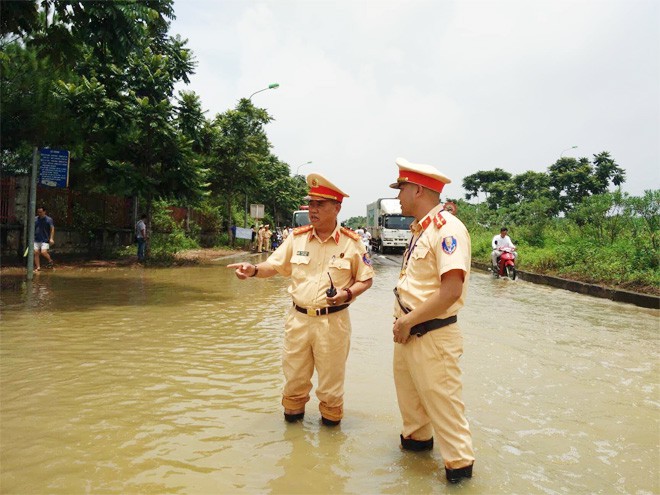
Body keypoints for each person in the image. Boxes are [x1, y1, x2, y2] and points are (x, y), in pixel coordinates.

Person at [228, 173, 374, 426]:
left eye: (320, 205)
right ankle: (294, 445)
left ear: (337, 208)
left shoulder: (352, 243)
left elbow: (366, 279)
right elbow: (272, 266)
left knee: (330, 388)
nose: (312, 210)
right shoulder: (297, 238)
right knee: (294, 382)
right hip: (298, 321)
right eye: (311, 204)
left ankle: (329, 451)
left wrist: (347, 294)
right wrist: (252, 270)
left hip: (333, 324)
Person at [389, 157, 475, 484]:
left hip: (431, 336)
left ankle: (461, 478)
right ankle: (414, 478)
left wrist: (409, 322)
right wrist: (403, 323)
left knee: (448, 420)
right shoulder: (420, 229)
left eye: (402, 188)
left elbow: (451, 291)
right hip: (408, 333)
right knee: (413, 418)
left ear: (419, 190)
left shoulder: (448, 229)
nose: (399, 195)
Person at [34, 206, 55, 271]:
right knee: (36, 253)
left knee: (43, 252)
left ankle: (50, 260)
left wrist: (51, 238)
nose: (39, 213)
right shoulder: (35, 219)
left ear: (44, 212)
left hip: (45, 239)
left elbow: (52, 229)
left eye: (41, 212)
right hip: (36, 239)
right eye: (38, 212)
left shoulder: (49, 219)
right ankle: (38, 267)